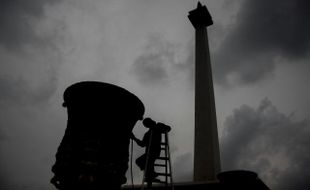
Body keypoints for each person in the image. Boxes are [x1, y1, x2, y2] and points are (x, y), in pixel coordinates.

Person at [131, 118, 171, 186]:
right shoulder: (147, 134)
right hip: (149, 153)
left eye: (147, 124)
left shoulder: (158, 126)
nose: (147, 126)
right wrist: (134, 138)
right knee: (141, 162)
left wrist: (163, 128)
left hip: (155, 152)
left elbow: (168, 128)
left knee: (146, 162)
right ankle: (150, 175)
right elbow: (142, 144)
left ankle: (151, 175)